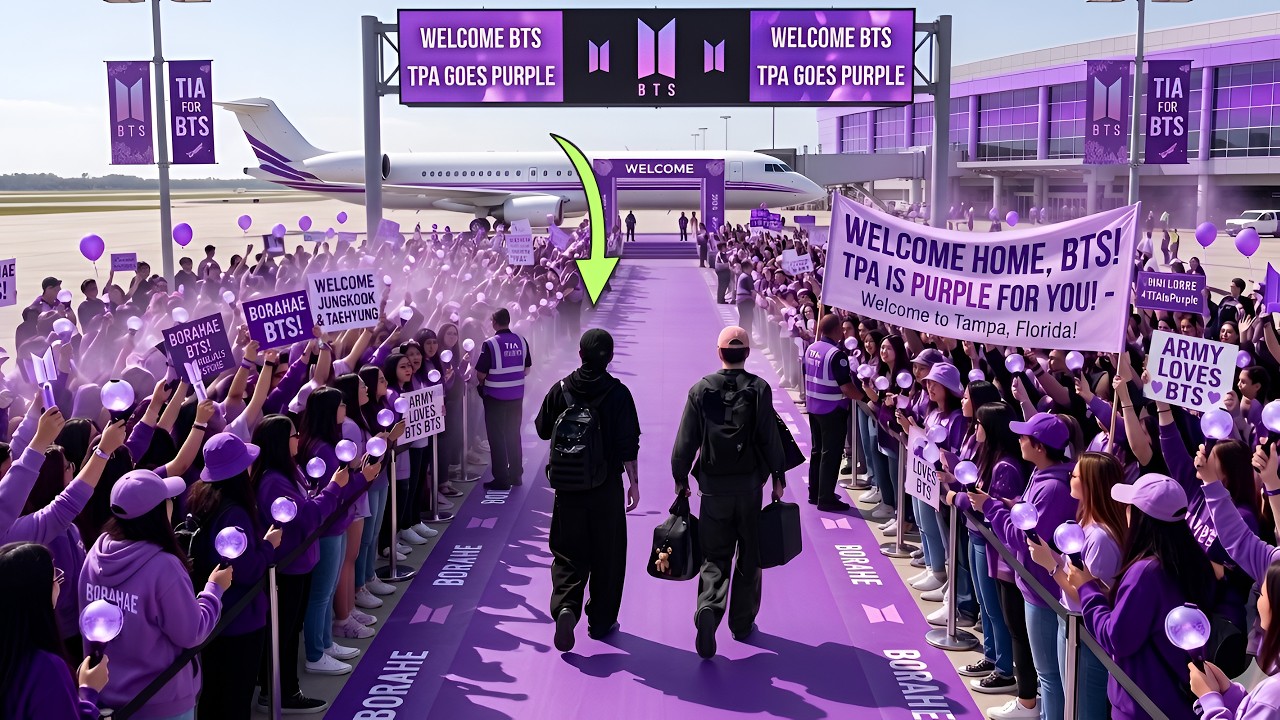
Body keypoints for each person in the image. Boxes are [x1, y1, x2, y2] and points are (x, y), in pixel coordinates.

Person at [78, 469, 231, 720]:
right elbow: (192, 633)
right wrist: (215, 589)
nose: (172, 504)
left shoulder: (97, 553)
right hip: (162, 701)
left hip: (105, 695)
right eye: (168, 500)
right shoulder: (164, 566)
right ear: (156, 514)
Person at [671, 326, 786, 659]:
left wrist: (681, 477)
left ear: (719, 353)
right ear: (747, 353)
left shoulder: (700, 389)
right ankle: (741, 622)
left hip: (712, 489)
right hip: (749, 487)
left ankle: (709, 606)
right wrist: (778, 476)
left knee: (714, 555)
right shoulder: (759, 388)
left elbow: (685, 440)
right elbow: (768, 436)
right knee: (750, 554)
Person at [1069, 473, 1216, 720]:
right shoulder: (1193, 560)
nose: (1125, 512)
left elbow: (1117, 639)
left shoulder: (1146, 572)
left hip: (1142, 705)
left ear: (1142, 518)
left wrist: (1087, 589)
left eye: (1130, 507)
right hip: (1181, 700)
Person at [534, 329, 640, 653]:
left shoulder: (561, 389)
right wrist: (634, 483)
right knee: (608, 555)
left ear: (580, 354)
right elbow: (628, 446)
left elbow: (542, 429)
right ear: (610, 356)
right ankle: (601, 621)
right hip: (606, 488)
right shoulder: (619, 394)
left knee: (567, 553)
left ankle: (566, 607)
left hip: (568, 489)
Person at [188, 433, 282, 720]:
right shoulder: (236, 513)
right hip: (240, 619)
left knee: (213, 696)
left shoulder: (200, 499)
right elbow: (247, 569)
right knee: (236, 699)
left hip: (212, 615)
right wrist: (268, 546)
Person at [0, 542, 109, 720]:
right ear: (37, 596)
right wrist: (88, 692)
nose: (59, 582)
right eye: (54, 578)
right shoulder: (46, 668)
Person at [803, 314, 861, 512]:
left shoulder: (811, 348)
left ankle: (815, 492)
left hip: (814, 407)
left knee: (817, 451)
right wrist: (864, 398)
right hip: (832, 409)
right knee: (831, 454)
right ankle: (826, 498)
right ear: (836, 330)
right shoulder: (837, 355)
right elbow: (846, 387)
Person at [477, 308, 532, 490]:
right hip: (516, 396)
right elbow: (527, 370)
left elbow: (480, 374)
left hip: (495, 397)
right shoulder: (521, 341)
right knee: (513, 434)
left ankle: (501, 479)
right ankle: (516, 475)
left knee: (497, 437)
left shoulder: (490, 344)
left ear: (494, 322)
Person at [734, 260, 756, 340]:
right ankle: (748, 339)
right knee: (747, 321)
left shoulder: (742, 276)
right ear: (747, 267)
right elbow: (753, 291)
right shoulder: (747, 277)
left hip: (741, 301)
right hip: (746, 301)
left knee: (743, 320)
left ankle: (741, 338)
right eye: (751, 267)